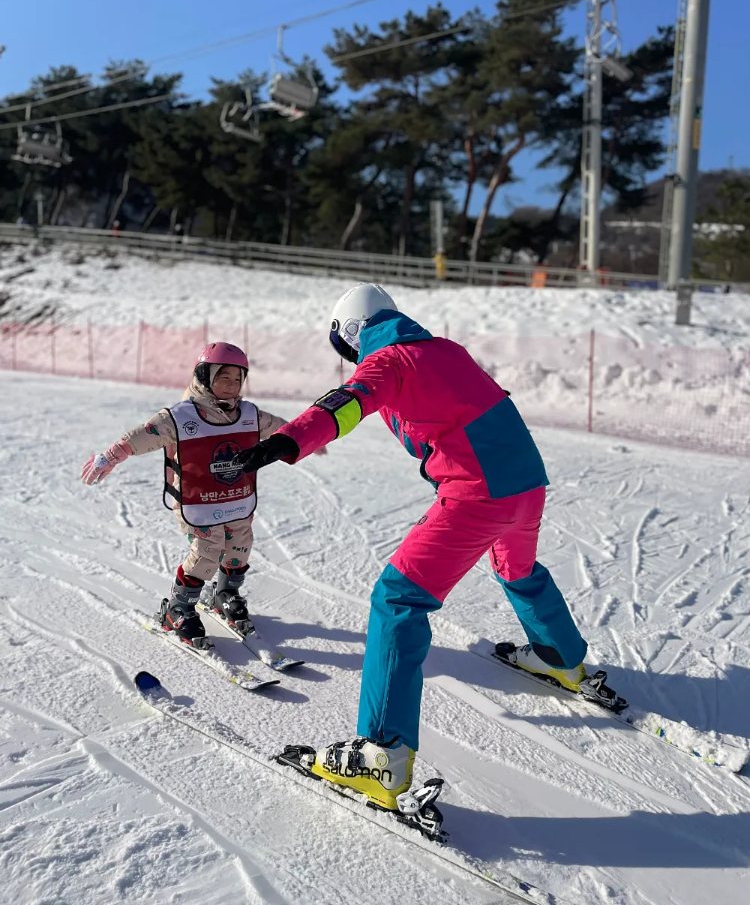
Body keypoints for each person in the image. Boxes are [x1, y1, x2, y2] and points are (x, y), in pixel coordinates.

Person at [237, 283, 588, 812]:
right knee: (516, 567)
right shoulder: (444, 349)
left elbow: (349, 403)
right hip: (526, 486)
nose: (351, 358)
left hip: (478, 492)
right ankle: (559, 657)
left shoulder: (389, 359)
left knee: (397, 598)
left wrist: (288, 440)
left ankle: (382, 754)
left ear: (352, 333)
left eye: (346, 347)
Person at [80, 342, 303, 647]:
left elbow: (281, 429)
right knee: (208, 551)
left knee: (240, 546)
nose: (232, 385)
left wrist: (305, 438)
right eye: (224, 377)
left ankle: (226, 593)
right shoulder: (181, 417)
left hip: (236, 498)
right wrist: (112, 455)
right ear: (204, 376)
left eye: (238, 378)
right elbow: (145, 435)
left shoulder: (249, 414)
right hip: (198, 500)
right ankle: (179, 608)